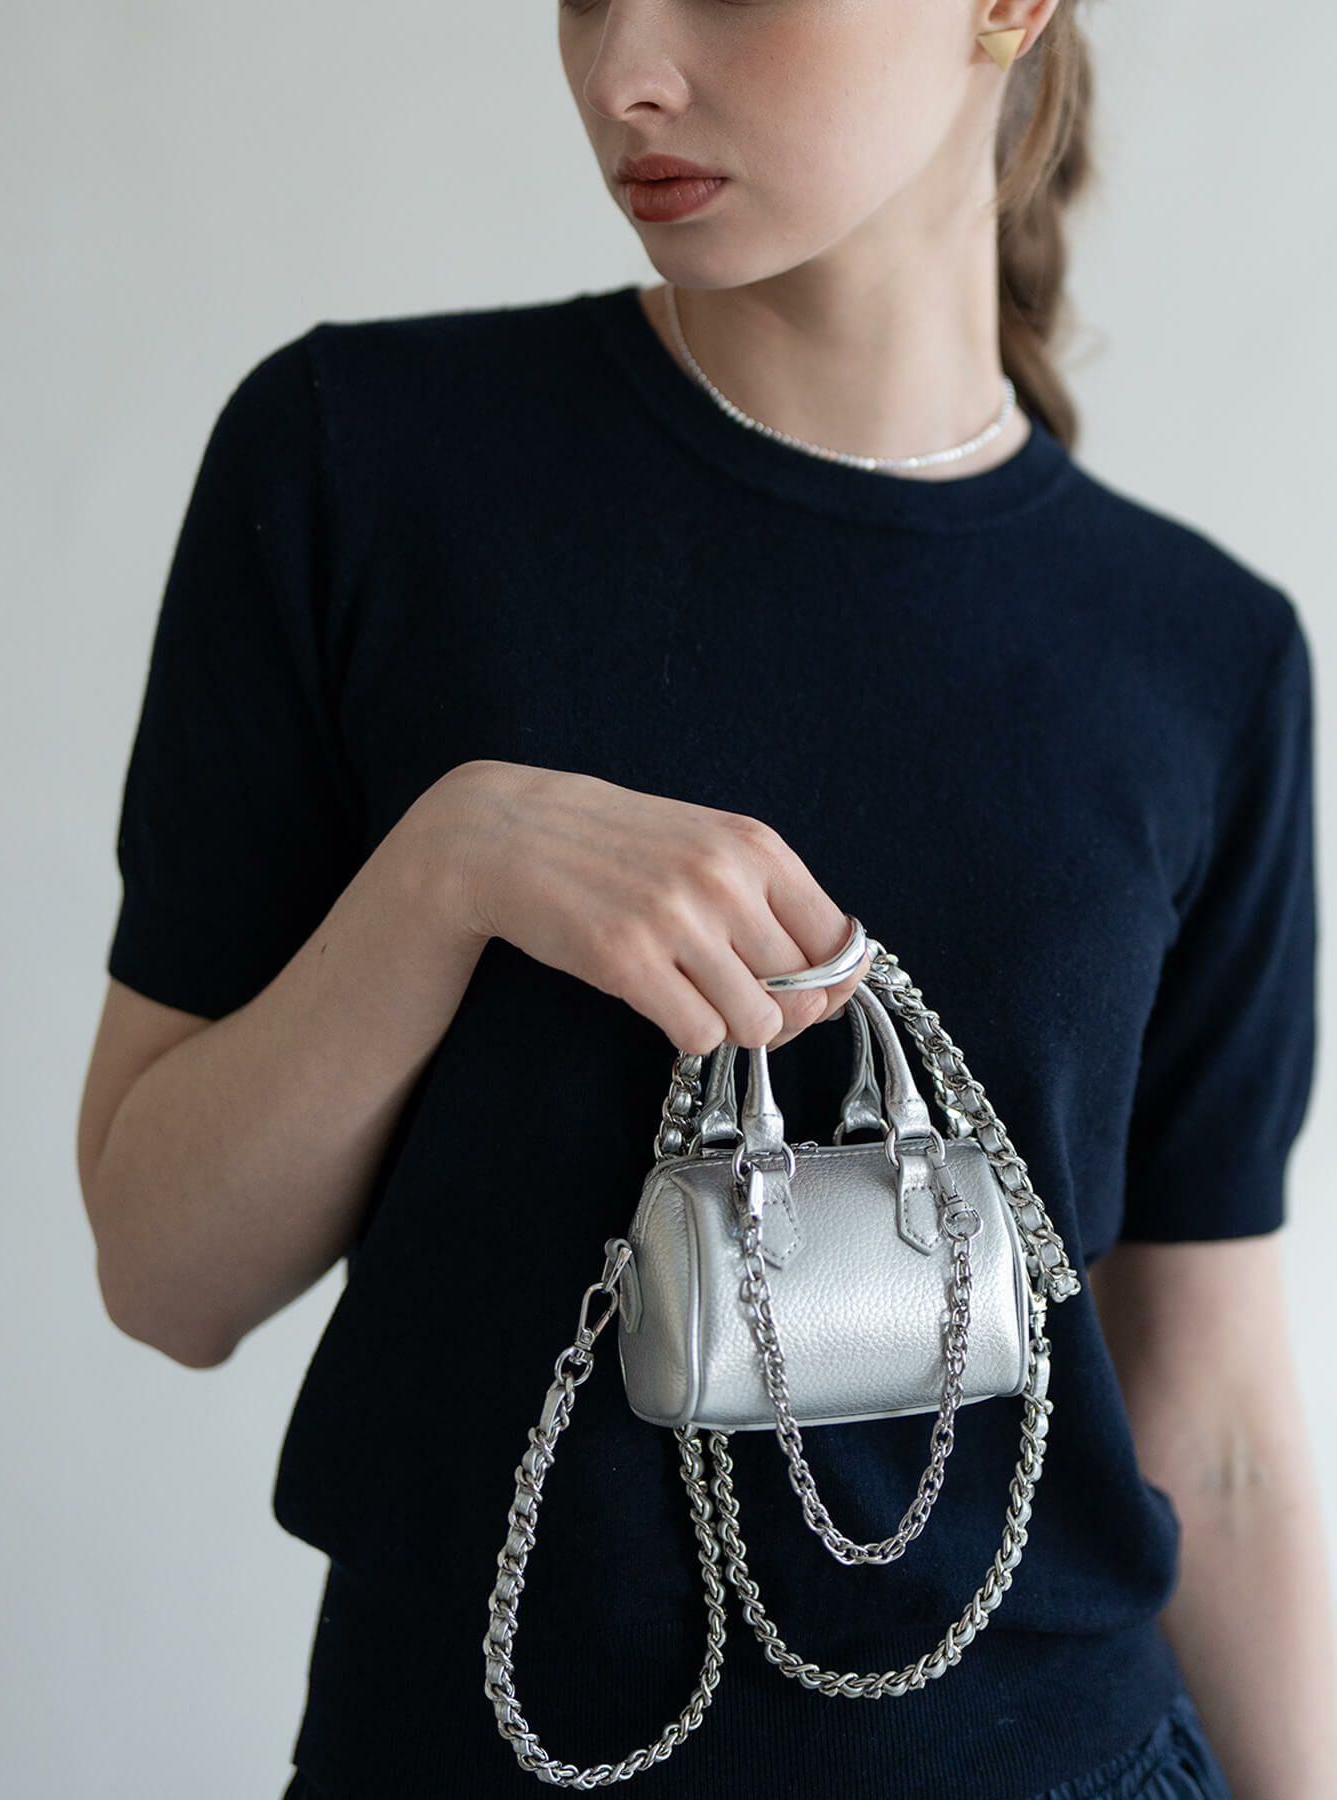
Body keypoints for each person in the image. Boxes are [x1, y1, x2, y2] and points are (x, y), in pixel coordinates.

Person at [77, 0, 1337, 1794]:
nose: (625, 75)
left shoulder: (1206, 658)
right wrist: (451, 869)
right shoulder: (357, 463)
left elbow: (1218, 1436)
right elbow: (163, 1272)